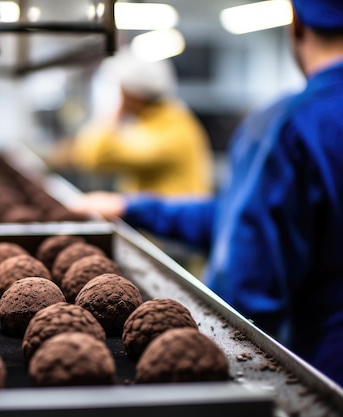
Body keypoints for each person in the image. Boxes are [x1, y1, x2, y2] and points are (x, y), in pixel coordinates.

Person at [68, 0, 343, 385]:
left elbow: (246, 285)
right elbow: (242, 216)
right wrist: (132, 206)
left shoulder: (290, 124)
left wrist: (195, 351)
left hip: (326, 369)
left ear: (295, 22)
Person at [55, 48, 213, 196]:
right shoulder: (156, 121)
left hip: (172, 223)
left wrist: (115, 112)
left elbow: (94, 157)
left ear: (133, 95)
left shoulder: (168, 129)